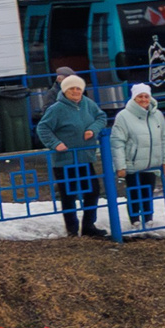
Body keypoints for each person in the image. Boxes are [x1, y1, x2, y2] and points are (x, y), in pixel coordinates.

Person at [34, 73, 108, 237]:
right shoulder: (57, 109)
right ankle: (72, 229)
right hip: (64, 160)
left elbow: (101, 117)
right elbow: (43, 128)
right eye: (71, 89)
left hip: (84, 158)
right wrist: (55, 144)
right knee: (68, 195)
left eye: (78, 88)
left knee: (93, 191)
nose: (75, 91)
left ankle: (88, 226)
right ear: (65, 90)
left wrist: (93, 129)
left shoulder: (87, 104)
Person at [112, 80, 165, 232]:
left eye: (146, 96)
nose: (144, 100)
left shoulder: (157, 115)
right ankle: (135, 221)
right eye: (140, 97)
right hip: (132, 163)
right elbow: (117, 142)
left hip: (151, 163)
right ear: (133, 98)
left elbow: (164, 138)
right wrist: (120, 166)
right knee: (133, 192)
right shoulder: (123, 116)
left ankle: (148, 219)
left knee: (148, 192)